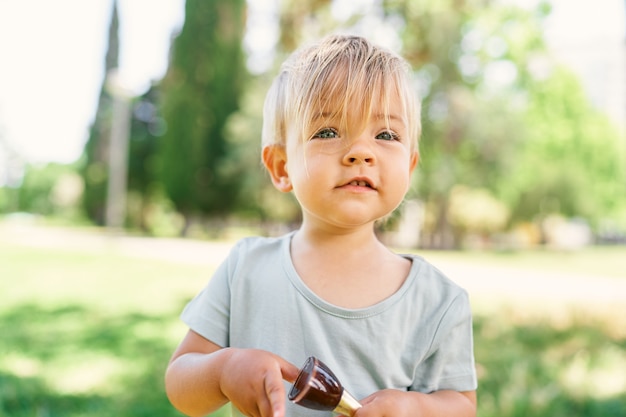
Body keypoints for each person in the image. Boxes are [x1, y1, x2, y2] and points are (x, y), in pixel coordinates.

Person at [165, 34, 477, 417]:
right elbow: (180, 383)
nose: (361, 152)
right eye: (328, 132)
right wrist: (223, 370)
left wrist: (413, 408)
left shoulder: (438, 301)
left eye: (386, 135)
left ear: (409, 166)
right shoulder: (246, 269)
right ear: (282, 167)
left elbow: (462, 405)